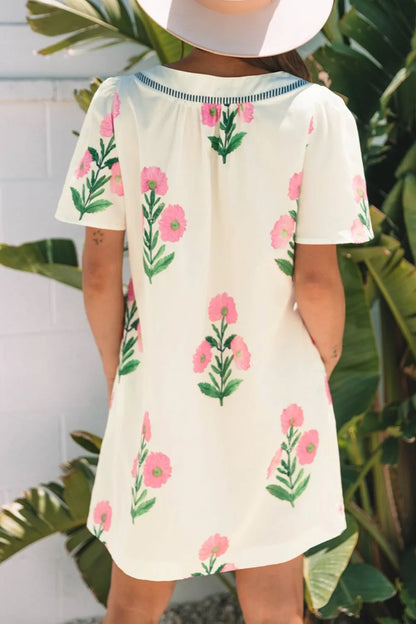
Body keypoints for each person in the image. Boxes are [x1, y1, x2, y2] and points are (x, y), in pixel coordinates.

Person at [55, 0, 374, 622]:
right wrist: (324, 362)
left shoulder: (120, 103)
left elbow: (98, 273)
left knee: (134, 601)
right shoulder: (318, 112)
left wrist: (121, 375)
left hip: (157, 389)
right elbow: (316, 280)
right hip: (278, 386)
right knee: (276, 603)